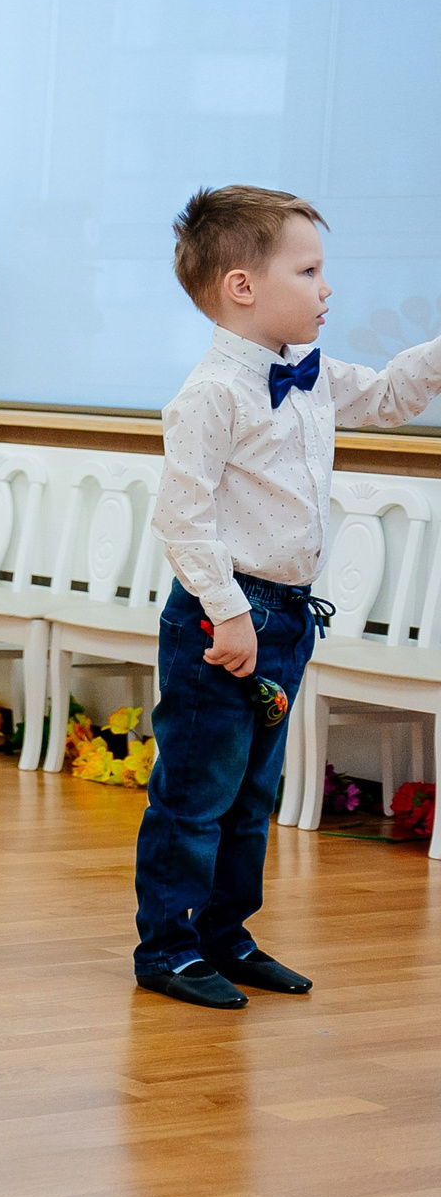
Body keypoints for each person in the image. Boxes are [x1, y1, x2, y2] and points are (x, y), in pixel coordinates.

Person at [136, 186, 441, 1009]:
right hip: (223, 618)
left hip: (289, 618)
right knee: (196, 793)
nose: (326, 288)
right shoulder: (212, 394)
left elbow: (385, 398)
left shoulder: (308, 377)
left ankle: (225, 935)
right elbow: (182, 512)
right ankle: (168, 946)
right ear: (243, 286)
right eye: (308, 271)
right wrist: (229, 612)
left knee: (251, 793)